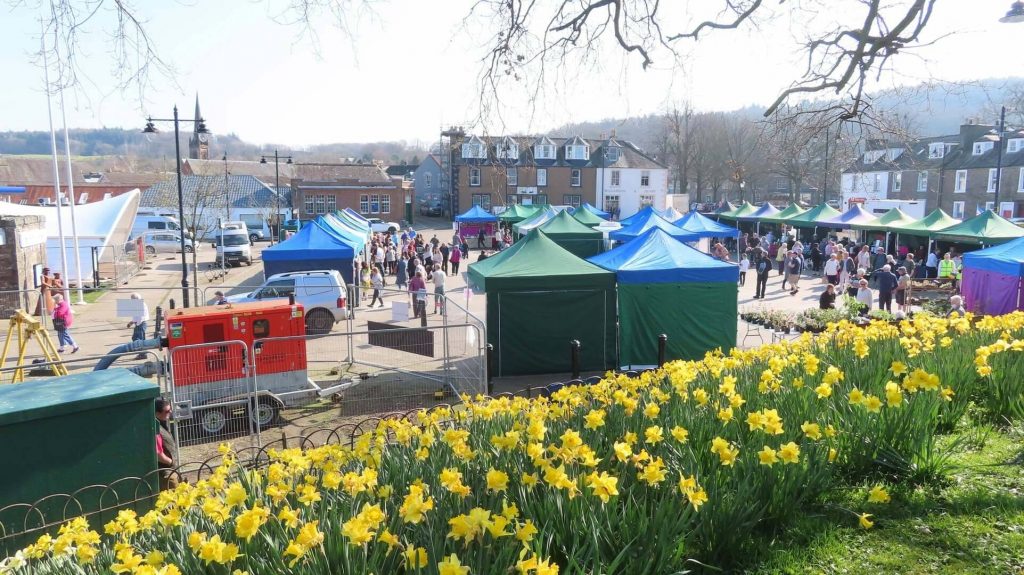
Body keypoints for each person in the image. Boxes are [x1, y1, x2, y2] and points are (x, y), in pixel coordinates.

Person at [154, 398, 179, 491]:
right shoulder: (156, 430)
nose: (170, 412)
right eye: (167, 411)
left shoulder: (161, 424)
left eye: (170, 409)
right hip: (166, 473)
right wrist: (170, 462)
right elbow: (158, 454)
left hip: (170, 471)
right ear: (157, 413)